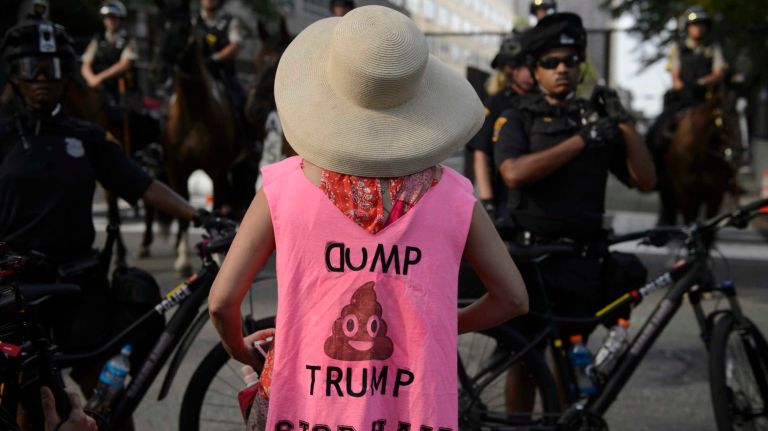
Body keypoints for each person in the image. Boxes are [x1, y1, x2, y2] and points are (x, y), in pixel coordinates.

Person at [208, 6, 529, 429]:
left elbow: (221, 302)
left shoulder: (282, 188)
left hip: (304, 410)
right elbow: (512, 299)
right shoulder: (453, 196)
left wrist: (238, 349)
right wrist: (438, 323)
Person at [0, 20, 209, 428]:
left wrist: (202, 216)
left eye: (54, 68)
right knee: (30, 403)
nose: (43, 78)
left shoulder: (88, 135)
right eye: (31, 68)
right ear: (14, 74)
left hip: (80, 284)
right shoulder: (2, 134)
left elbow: (142, 184)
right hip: (17, 290)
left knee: (104, 406)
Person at [492, 12, 655, 410]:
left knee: (571, 361)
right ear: (535, 69)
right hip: (532, 259)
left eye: (570, 60)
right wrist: (582, 141)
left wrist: (624, 122)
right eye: (551, 62)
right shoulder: (517, 118)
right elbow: (513, 173)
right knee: (526, 362)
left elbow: (646, 181)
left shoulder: (595, 119)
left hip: (581, 259)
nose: (562, 69)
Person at [648, 6, 728, 225]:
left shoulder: (713, 48)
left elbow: (719, 73)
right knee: (658, 130)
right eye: (694, 25)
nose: (698, 29)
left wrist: (702, 83)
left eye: (701, 25)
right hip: (682, 100)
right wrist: (683, 87)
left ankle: (730, 177)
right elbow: (674, 76)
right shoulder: (678, 49)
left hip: (707, 101)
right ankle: (658, 173)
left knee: (728, 133)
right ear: (688, 28)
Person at [467, 32, 534, 221]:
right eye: (526, 67)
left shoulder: (542, 101)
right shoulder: (497, 103)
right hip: (504, 198)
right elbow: (481, 154)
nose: (533, 71)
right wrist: (488, 202)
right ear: (512, 71)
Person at [193, 0, 246, 118]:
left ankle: (244, 134)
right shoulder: (194, 21)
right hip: (198, 74)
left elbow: (235, 46)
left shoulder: (230, 21)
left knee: (241, 102)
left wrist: (215, 58)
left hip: (223, 75)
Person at [80, 1, 139, 106]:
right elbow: (85, 63)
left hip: (119, 89)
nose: (110, 21)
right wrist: (91, 79)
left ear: (120, 19)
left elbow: (125, 64)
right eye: (108, 18)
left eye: (114, 17)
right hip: (97, 85)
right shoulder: (98, 39)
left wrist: (100, 78)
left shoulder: (127, 40)